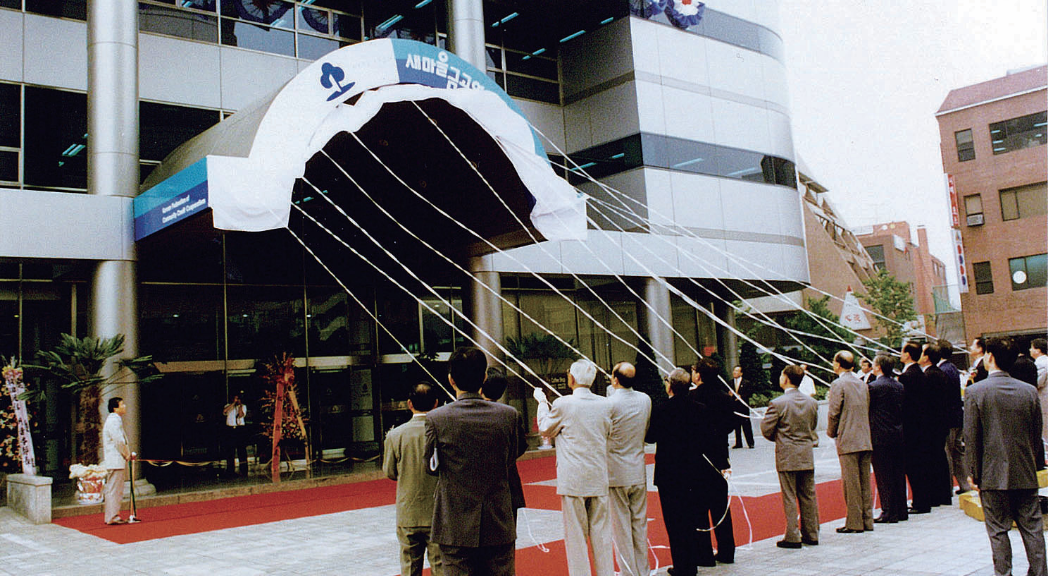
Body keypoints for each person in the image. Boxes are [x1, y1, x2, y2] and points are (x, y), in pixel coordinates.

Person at [424, 347, 526, 576]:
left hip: (454, 522)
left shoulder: (436, 419)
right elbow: (514, 454)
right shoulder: (509, 415)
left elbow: (430, 466)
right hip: (498, 520)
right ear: (483, 378)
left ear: (451, 380)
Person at [964, 336, 1047, 576]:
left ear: (989, 357)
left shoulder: (975, 392)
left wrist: (973, 473)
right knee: (1032, 528)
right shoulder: (1029, 392)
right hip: (1024, 470)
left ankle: (1004, 573)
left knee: (998, 530)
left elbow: (972, 437)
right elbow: (1035, 435)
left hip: (991, 473)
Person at [534, 358, 614, 576]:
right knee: (602, 535)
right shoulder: (605, 404)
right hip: (598, 475)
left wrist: (541, 402)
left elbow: (544, 429)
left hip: (573, 478)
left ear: (571, 378)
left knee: (576, 537)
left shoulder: (563, 404)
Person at [646, 368, 723, 572]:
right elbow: (708, 438)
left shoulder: (662, 409)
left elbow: (651, 436)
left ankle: (683, 564)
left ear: (671, 386)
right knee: (693, 516)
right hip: (694, 470)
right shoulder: (700, 408)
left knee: (674, 521)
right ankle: (698, 556)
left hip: (670, 473)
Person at [384, 383, 443, 576]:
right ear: (436, 403)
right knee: (440, 567)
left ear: (409, 404)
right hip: (437, 511)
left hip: (408, 511)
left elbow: (390, 472)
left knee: (409, 568)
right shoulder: (442, 432)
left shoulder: (395, 435)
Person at [761, 365, 820, 549]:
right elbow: (812, 426)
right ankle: (811, 533)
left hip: (787, 453)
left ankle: (793, 535)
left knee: (789, 496)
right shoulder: (812, 403)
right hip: (805, 452)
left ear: (785, 379)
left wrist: (780, 437)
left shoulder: (778, 403)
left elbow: (766, 429)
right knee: (808, 495)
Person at [605, 362, 652, 576]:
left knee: (621, 527)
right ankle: (642, 569)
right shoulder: (645, 399)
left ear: (615, 379)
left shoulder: (609, 403)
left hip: (616, 471)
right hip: (637, 468)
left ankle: (628, 571)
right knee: (639, 524)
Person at [688, 357, 735, 564]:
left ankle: (704, 554)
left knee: (698, 507)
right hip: (719, 455)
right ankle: (727, 551)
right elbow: (731, 425)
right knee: (720, 506)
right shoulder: (725, 397)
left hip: (698, 457)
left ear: (698, 375)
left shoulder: (692, 397)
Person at [826, 350, 873, 533]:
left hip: (848, 438)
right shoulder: (862, 383)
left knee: (851, 483)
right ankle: (867, 520)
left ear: (838, 364)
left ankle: (854, 522)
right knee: (864, 481)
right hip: (864, 437)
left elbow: (834, 411)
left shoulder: (838, 384)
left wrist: (831, 432)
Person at [480, 368, 526, 520]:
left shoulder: (467, 415)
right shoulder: (511, 414)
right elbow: (520, 446)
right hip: (507, 481)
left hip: (480, 486)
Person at [867, 354, 907, 523]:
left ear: (878, 367)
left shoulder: (873, 387)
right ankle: (901, 509)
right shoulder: (899, 386)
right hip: (897, 433)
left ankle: (888, 511)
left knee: (884, 475)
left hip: (880, 435)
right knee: (898, 473)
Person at [899, 341, 933, 514]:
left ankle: (920, 502)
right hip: (923, 425)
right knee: (922, 463)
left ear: (908, 355)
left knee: (914, 465)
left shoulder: (907, 377)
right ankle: (923, 499)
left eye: (902, 352)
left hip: (911, 426)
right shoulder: (920, 373)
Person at [918, 343, 953, 506]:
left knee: (933, 458)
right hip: (941, 422)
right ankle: (944, 493)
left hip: (932, 424)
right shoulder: (939, 373)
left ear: (926, 357)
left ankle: (937, 494)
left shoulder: (929, 375)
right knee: (940, 457)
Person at [102, 397, 131, 525]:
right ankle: (113, 516)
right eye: (122, 404)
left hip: (114, 459)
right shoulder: (114, 420)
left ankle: (111, 515)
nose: (124, 406)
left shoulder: (114, 420)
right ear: (115, 407)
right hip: (115, 459)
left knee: (113, 488)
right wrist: (126, 454)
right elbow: (119, 440)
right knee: (115, 489)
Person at [223, 393, 248, 476]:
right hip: (230, 429)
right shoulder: (228, 405)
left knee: (241, 450)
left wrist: (240, 406)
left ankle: (243, 469)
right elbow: (225, 411)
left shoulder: (243, 406)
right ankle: (230, 470)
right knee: (230, 450)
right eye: (235, 398)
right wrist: (233, 404)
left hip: (240, 429)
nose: (237, 400)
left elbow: (241, 415)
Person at [730, 365, 755, 449]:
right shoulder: (730, 382)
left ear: (741, 373)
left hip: (743, 407)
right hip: (735, 407)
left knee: (746, 425)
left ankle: (750, 442)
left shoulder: (746, 383)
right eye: (734, 371)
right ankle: (738, 443)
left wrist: (741, 396)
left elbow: (749, 393)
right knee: (736, 426)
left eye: (737, 371)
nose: (734, 372)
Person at [1032, 337, 1048, 442]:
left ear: (1038, 350)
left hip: (1044, 401)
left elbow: (1037, 383)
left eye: (1031, 348)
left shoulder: (1041, 363)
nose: (1030, 350)